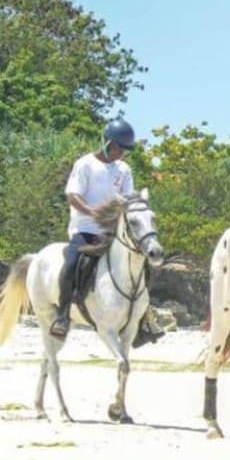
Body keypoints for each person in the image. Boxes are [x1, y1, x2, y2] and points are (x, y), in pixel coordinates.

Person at [52, 119, 165, 346]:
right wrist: (92, 213)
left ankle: (144, 320)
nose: (121, 153)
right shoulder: (85, 164)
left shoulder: (124, 170)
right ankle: (62, 315)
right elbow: (73, 196)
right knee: (72, 262)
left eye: (124, 150)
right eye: (119, 148)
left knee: (142, 264)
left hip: (113, 232)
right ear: (107, 143)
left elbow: (127, 199)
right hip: (85, 229)